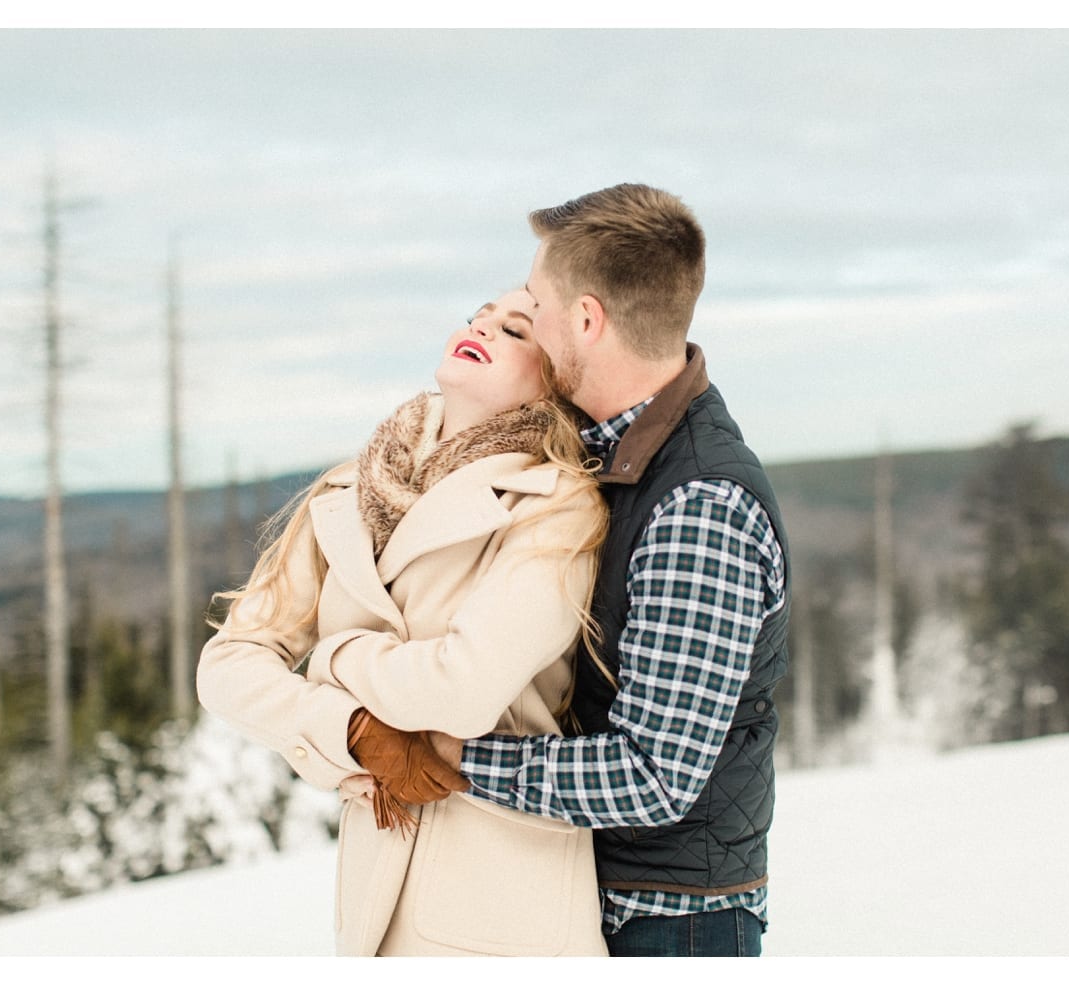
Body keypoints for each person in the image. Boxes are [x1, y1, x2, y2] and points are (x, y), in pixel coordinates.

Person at [401, 183, 788, 956]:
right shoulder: (605, 450)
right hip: (592, 894)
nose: (526, 321)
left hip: (669, 920)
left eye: (537, 305)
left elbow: (654, 775)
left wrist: (456, 756)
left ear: (586, 319)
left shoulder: (698, 505)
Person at [195, 289, 610, 957]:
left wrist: (334, 660)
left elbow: (464, 687)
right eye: (479, 314)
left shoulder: (557, 504)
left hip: (508, 904)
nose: (482, 326)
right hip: (373, 903)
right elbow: (228, 663)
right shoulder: (344, 491)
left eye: (514, 329)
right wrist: (349, 730)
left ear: (555, 381)